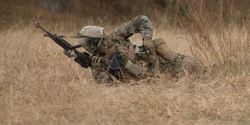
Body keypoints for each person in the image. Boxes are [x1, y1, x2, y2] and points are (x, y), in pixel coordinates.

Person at [72, 15, 204, 83]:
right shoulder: (96, 66)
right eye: (100, 43)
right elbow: (111, 87)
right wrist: (102, 68)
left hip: (162, 64)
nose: (105, 43)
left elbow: (142, 20)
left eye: (104, 40)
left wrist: (146, 41)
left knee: (199, 69)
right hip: (150, 83)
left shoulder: (114, 37)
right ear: (92, 48)